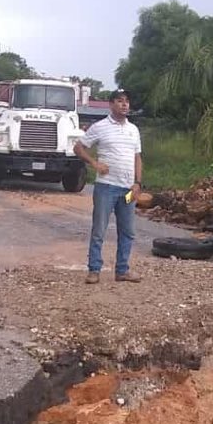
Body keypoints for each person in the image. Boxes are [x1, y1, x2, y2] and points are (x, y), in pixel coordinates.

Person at [74, 89, 143, 284]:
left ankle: (122, 270)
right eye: (120, 101)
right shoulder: (100, 127)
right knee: (99, 230)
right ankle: (94, 270)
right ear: (111, 104)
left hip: (128, 190)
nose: (125, 105)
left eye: (127, 101)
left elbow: (137, 158)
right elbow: (78, 148)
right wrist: (95, 164)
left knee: (128, 231)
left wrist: (138, 183)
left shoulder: (133, 130)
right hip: (106, 188)